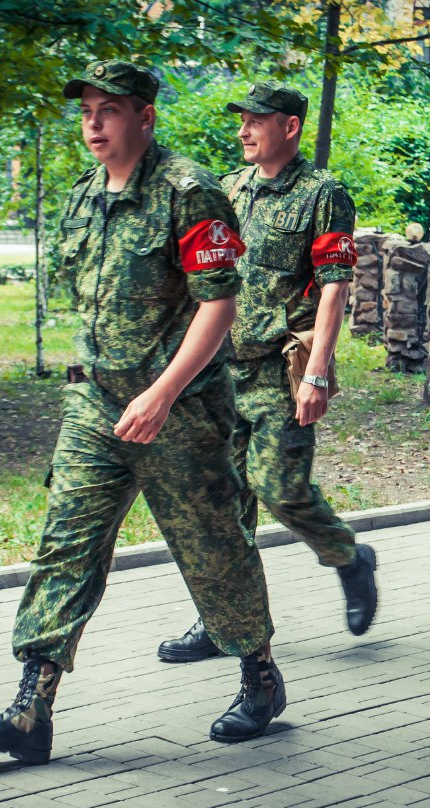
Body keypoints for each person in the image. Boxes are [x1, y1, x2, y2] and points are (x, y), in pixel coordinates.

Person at [0, 61, 286, 762]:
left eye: (108, 110)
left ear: (145, 117)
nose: (93, 124)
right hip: (95, 405)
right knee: (66, 545)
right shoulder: (82, 198)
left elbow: (218, 304)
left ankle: (259, 675)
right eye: (86, 112)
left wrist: (162, 392)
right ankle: (30, 709)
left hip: (181, 409)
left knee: (213, 548)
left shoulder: (188, 192)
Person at [157, 82, 377, 664]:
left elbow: (335, 289)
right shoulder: (230, 188)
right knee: (221, 507)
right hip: (221, 373)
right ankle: (222, 621)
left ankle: (349, 558)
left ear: (290, 127)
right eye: (243, 120)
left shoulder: (323, 193)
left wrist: (318, 374)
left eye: (256, 120)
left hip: (281, 369)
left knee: (281, 488)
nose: (243, 130)